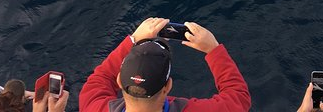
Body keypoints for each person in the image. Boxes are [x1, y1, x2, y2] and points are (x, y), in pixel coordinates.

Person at [79, 17, 251, 112]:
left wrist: (133, 39)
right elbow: (238, 98)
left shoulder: (93, 106)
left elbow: (99, 79)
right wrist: (213, 49)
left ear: (119, 81)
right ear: (167, 86)